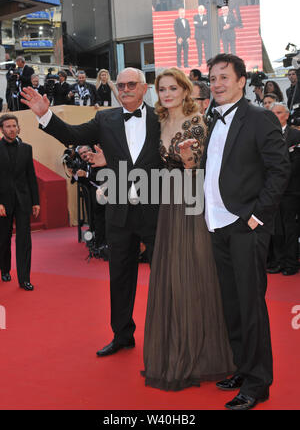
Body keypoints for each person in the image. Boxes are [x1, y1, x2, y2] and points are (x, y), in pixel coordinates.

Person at [20, 67, 162, 355]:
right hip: (120, 212)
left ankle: (168, 335)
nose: (124, 89)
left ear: (145, 88)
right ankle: (122, 334)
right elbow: (72, 134)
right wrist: (44, 115)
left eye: (131, 84)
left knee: (166, 276)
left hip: (156, 210)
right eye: (119, 85)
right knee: (120, 276)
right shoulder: (105, 118)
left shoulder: (163, 118)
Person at [202, 53, 290, 410]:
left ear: (241, 82)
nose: (217, 84)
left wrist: (257, 218)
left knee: (251, 306)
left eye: (224, 77)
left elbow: (279, 169)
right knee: (232, 304)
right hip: (216, 224)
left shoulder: (259, 118)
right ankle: (242, 367)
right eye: (212, 78)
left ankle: (258, 383)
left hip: (244, 226)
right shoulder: (212, 118)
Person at [141, 67, 235, 391]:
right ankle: (172, 349)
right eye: (161, 89)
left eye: (172, 89)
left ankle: (197, 353)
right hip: (168, 205)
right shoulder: (160, 122)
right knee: (169, 275)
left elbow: (208, 172)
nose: (166, 94)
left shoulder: (198, 123)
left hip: (192, 204)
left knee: (192, 273)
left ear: (184, 90)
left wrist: (190, 163)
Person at [0, 114, 40, 290]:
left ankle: (24, 279)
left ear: (18, 128)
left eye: (14, 126)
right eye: (7, 126)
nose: (11, 129)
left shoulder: (27, 148)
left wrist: (36, 201)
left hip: (23, 201)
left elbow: (31, 176)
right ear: (2, 130)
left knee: (24, 241)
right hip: (3, 202)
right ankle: (4, 269)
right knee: (3, 239)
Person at [267, 102, 300, 276]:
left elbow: (295, 164)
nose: (275, 116)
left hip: (290, 191)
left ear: (287, 115)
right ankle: (278, 261)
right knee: (276, 229)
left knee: (290, 229)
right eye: (272, 113)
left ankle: (291, 263)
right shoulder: (267, 135)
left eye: (279, 113)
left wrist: (279, 181)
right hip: (272, 191)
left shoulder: (295, 135)